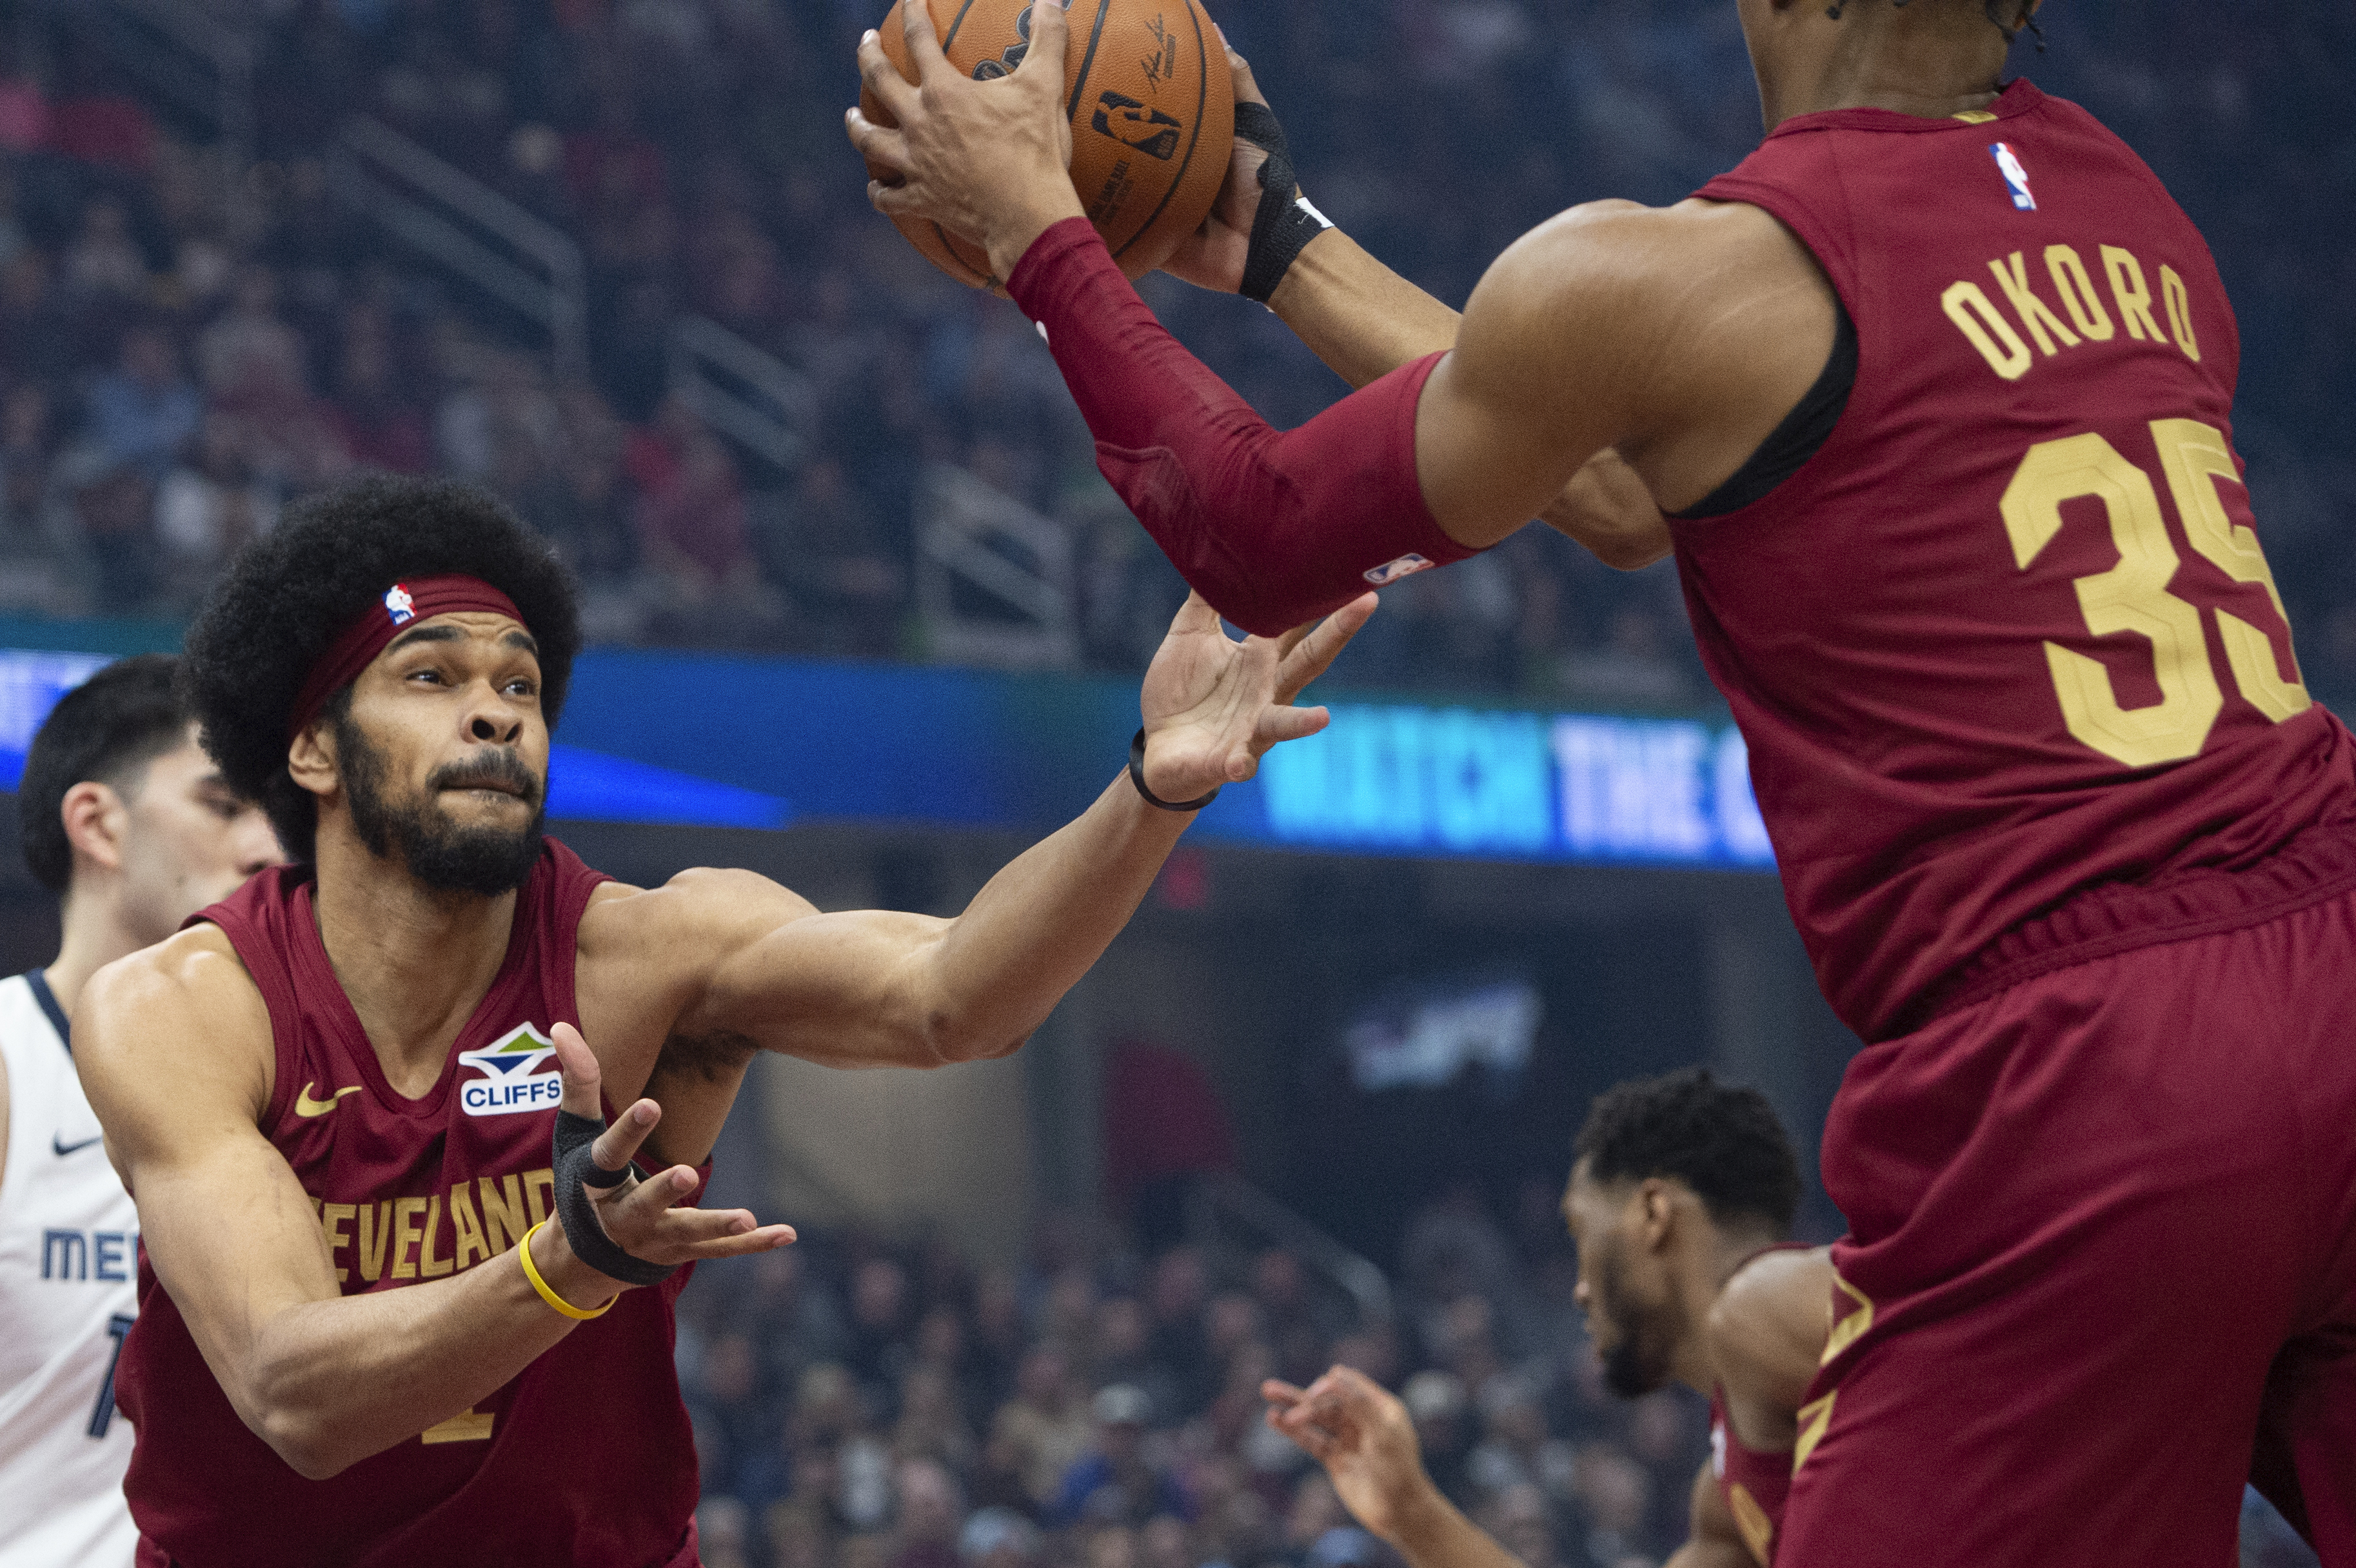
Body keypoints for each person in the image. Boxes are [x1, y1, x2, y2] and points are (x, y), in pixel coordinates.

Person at [852, 3, 2356, 1562]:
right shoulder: (2131, 208)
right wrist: (1284, 242)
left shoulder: (1687, 269)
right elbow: (1629, 489)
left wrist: (1040, 231)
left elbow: (1256, 530)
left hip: (2093, 1077)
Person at [76, 473, 1371, 1566]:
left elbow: (957, 998)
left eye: (520, 688)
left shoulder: (652, 950)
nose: (493, 711)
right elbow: (292, 1393)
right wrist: (560, 1268)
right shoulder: (185, 1006)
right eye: (430, 676)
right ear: (312, 751)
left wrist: (1149, 787)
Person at [1263, 1069, 1826, 1568]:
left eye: (1582, 1234)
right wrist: (1412, 1511)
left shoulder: (1767, 1302)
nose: (1579, 1290)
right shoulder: (1730, 1488)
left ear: (1654, 1215)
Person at [0, 655, 282, 1567]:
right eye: (223, 803)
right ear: (97, 823)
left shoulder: (303, 1078)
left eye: (279, 814)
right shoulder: (11, 1059)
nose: (268, 848)